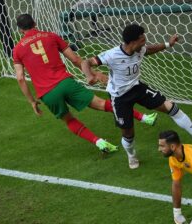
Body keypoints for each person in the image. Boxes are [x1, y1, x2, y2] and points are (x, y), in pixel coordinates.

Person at [13, 14, 157, 154]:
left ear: (20, 30)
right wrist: (95, 73)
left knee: (69, 120)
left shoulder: (17, 49)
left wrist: (32, 101)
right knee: (102, 104)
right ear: (35, 23)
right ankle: (143, 117)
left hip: (47, 93)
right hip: (65, 83)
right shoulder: (51, 36)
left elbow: (20, 78)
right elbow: (75, 59)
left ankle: (99, 142)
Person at [81, 23, 192, 168]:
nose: (144, 42)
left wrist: (168, 44)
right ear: (132, 42)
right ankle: (132, 155)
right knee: (128, 133)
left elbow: (149, 50)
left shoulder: (139, 49)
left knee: (170, 107)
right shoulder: (112, 55)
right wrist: (89, 75)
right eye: (142, 40)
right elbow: (86, 62)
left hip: (137, 88)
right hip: (119, 96)